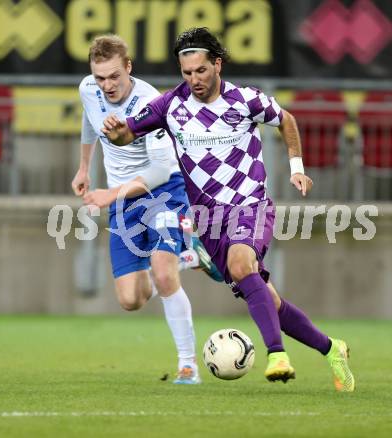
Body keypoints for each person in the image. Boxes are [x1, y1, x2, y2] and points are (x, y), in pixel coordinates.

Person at [102, 28, 355, 391]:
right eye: (187, 73)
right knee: (268, 300)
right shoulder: (171, 105)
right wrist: (115, 132)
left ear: (217, 64)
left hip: (250, 206)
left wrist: (297, 169)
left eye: (201, 71)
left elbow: (286, 120)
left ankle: (276, 355)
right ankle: (333, 349)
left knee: (240, 264)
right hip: (210, 221)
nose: (194, 80)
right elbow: (129, 132)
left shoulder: (245, 100)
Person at [72, 34, 222, 385]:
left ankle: (188, 366)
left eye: (114, 76)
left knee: (163, 274)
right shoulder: (87, 89)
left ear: (128, 67)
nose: (107, 85)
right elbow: (89, 119)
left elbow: (158, 171)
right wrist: (83, 168)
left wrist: (110, 193)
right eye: (100, 78)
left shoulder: (151, 103)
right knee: (130, 299)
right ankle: (190, 256)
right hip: (124, 199)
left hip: (164, 192)